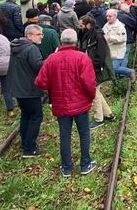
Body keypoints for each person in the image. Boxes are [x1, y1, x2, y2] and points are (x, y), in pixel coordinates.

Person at [35, 29, 97, 177]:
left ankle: (67, 167)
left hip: (61, 104)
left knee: (64, 135)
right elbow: (89, 83)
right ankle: (85, 163)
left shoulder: (51, 59)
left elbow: (40, 82)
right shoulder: (82, 58)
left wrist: (53, 85)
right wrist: (91, 97)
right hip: (81, 103)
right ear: (76, 42)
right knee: (84, 133)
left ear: (61, 41)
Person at [8, 24, 45, 157]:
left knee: (26, 115)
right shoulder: (31, 49)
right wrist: (50, 61)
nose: (42, 36)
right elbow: (38, 66)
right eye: (38, 34)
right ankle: (30, 148)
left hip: (18, 88)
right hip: (29, 89)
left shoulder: (15, 47)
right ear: (29, 36)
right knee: (36, 116)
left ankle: (25, 143)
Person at [78, 15, 116, 130]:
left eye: (81, 25)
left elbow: (101, 54)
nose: (80, 28)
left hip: (96, 69)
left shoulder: (98, 36)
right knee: (96, 92)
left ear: (88, 24)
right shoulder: (89, 35)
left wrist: (95, 68)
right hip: (92, 68)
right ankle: (108, 114)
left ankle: (98, 119)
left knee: (93, 93)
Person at [103, 9, 136, 81]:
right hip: (109, 51)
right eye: (107, 16)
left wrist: (110, 38)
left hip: (118, 51)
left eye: (110, 16)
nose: (108, 18)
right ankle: (116, 82)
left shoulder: (120, 26)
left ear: (115, 16)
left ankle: (130, 72)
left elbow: (123, 38)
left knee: (114, 68)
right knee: (109, 68)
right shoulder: (106, 25)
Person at [117, 4, 137, 68]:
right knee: (125, 56)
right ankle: (122, 71)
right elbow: (135, 25)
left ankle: (117, 70)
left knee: (117, 55)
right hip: (126, 38)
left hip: (116, 39)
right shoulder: (126, 17)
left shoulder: (116, 15)